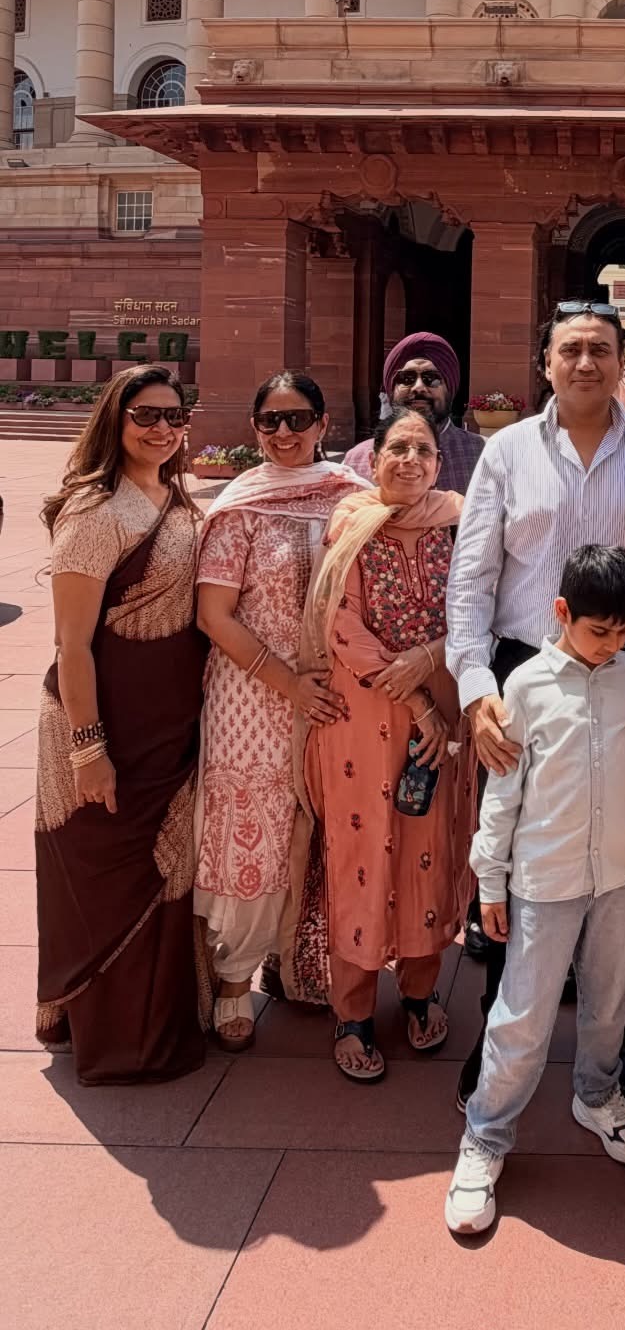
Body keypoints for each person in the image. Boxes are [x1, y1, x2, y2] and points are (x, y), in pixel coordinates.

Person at [447, 301, 625, 1101]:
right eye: (570, 349)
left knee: (613, 847)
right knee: (519, 851)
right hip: (523, 672)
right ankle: (499, 1032)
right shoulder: (507, 451)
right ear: (545, 362)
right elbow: (472, 576)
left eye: (600, 350)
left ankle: (608, 1041)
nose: (586, 363)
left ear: (621, 362)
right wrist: (475, 688)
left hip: (624, 671)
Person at [445, 546, 625, 1235]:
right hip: (545, 880)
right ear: (561, 612)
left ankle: (596, 1094)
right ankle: (484, 1135)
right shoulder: (526, 687)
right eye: (598, 630)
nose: (611, 644)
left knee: (608, 1002)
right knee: (522, 1017)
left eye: (623, 631)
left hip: (618, 874)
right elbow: (501, 795)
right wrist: (491, 882)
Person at [36, 367, 208, 1082]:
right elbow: (72, 645)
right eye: (146, 415)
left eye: (173, 415)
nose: (162, 428)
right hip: (103, 723)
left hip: (168, 722)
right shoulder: (94, 511)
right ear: (116, 418)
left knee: (165, 868)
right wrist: (88, 749)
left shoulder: (175, 497)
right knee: (107, 875)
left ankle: (161, 1020)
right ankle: (113, 1038)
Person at [194, 372, 368, 1049]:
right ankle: (235, 976)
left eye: (298, 419)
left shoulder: (353, 497)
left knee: (327, 827)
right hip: (250, 694)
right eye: (271, 421)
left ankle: (302, 963)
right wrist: (286, 681)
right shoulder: (240, 504)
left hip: (336, 694)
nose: (285, 433)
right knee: (255, 826)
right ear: (255, 429)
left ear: (324, 425)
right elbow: (215, 615)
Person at [301, 408, 475, 1081]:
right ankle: (351, 1010)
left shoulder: (460, 520)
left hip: (442, 708)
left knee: (430, 849)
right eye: (396, 448)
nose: (409, 460)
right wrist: (414, 698)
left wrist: (430, 659)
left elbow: (479, 608)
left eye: (422, 449)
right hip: (364, 716)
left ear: (438, 461)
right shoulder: (351, 522)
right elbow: (338, 621)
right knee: (362, 851)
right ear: (373, 461)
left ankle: (420, 991)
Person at [344, 330, 483, 493]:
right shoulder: (357, 460)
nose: (419, 387)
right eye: (406, 378)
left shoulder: (482, 453)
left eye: (432, 379)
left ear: (449, 389)